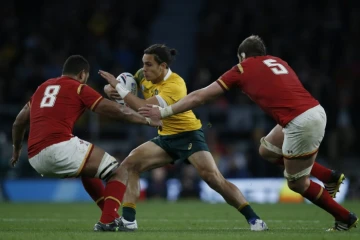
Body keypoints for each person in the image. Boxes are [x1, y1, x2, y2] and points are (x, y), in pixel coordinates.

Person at [139, 36, 359, 231]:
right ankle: (329, 176)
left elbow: (201, 96)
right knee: (266, 150)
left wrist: (166, 111)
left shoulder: (242, 68)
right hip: (313, 111)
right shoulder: (278, 61)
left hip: (298, 122)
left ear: (242, 56)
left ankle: (345, 218)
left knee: (296, 184)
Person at [99, 44, 268, 231]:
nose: (143, 69)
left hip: (189, 135)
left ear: (162, 66)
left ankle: (254, 219)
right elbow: (114, 86)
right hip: (166, 138)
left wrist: (120, 90)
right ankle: (129, 220)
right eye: (143, 64)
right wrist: (110, 89)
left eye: (149, 65)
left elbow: (143, 108)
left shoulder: (175, 85)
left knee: (214, 180)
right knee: (129, 165)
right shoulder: (142, 76)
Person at [10, 55, 162, 232]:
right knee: (119, 171)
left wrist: (16, 150)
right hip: (59, 147)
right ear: (82, 74)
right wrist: (148, 121)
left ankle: (110, 215)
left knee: (88, 170)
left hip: (34, 156)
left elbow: (18, 122)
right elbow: (120, 111)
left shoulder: (42, 88)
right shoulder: (79, 88)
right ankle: (107, 221)